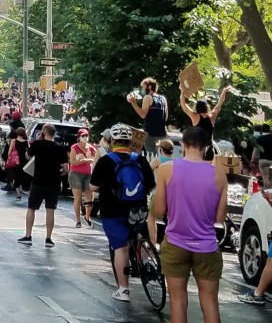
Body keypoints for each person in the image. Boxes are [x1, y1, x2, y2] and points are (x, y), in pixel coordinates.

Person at [150, 126, 227, 323]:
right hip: (207, 246)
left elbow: (159, 211)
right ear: (207, 147)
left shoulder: (167, 169)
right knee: (210, 303)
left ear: (182, 144)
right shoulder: (219, 175)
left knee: (177, 301)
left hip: (175, 242)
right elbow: (219, 218)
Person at [90, 123, 156, 301]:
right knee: (138, 237)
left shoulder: (106, 160)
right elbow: (150, 185)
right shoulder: (140, 160)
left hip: (113, 210)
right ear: (130, 142)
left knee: (121, 248)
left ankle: (124, 290)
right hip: (138, 209)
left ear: (112, 141)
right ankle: (147, 261)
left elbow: (93, 186)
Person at [17, 123, 67, 247]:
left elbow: (27, 156)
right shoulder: (60, 148)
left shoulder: (38, 145)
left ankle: (28, 235)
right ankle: (48, 239)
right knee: (50, 211)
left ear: (43, 133)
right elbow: (66, 168)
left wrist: (37, 140)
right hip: (54, 183)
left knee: (31, 208)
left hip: (38, 181)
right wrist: (58, 174)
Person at [180, 87, 230, 160]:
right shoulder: (212, 116)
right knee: (207, 170)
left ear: (197, 107)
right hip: (209, 148)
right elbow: (219, 104)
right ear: (207, 107)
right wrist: (224, 92)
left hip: (197, 149)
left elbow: (183, 105)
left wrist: (182, 91)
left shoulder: (195, 116)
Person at [127, 77, 168, 151]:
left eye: (143, 86)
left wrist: (133, 103)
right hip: (162, 133)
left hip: (150, 134)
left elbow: (143, 115)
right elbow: (166, 116)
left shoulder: (147, 97)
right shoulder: (163, 99)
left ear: (149, 87)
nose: (142, 89)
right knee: (161, 157)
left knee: (151, 157)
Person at [68, 128, 96, 228]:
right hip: (75, 174)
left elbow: (95, 159)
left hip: (88, 174)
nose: (85, 138)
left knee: (90, 197)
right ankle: (78, 220)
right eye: (83, 136)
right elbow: (72, 162)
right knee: (78, 197)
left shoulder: (91, 148)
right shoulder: (74, 147)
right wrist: (85, 160)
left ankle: (87, 217)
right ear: (79, 137)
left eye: (86, 136)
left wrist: (90, 160)